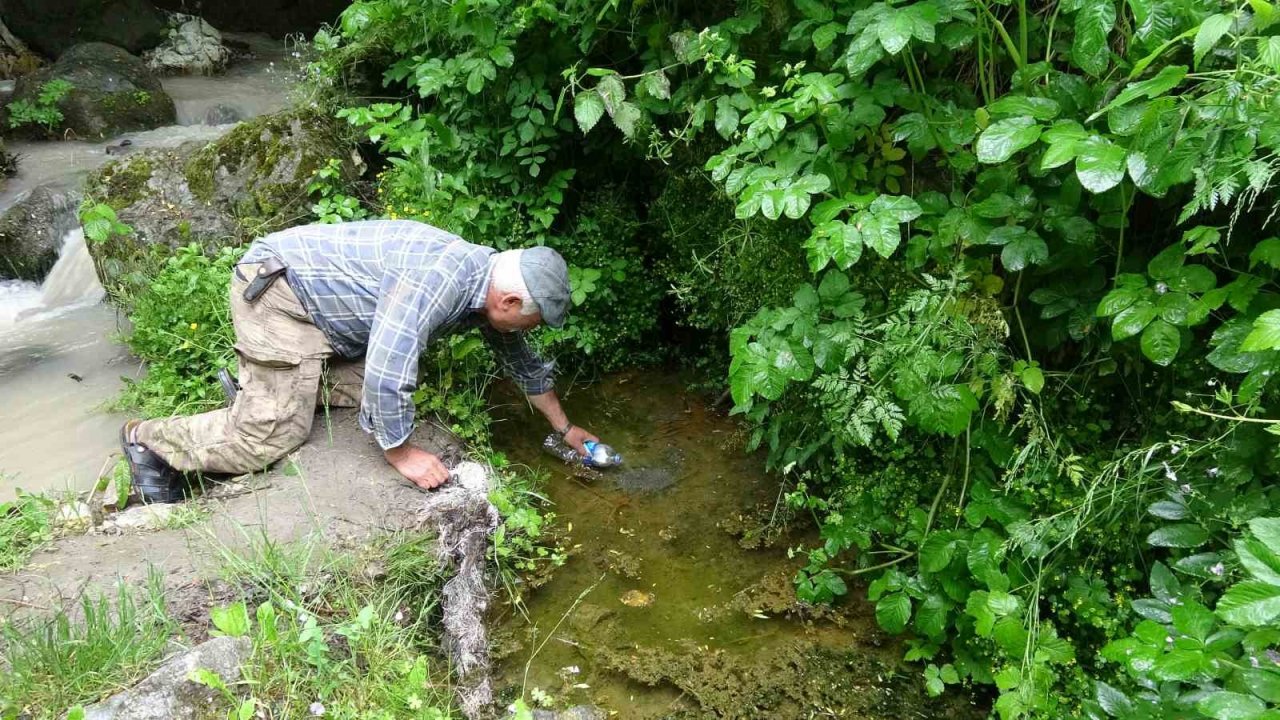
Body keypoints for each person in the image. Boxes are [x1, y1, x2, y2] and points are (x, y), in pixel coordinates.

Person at [120, 219, 599, 502]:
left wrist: (565, 429)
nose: (526, 331)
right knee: (273, 436)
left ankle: (273, 387)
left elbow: (521, 362)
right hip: (281, 295)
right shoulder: (441, 280)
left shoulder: (485, 282)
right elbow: (390, 366)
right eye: (532, 322)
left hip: (322, 312)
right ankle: (149, 442)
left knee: (384, 384)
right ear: (510, 302)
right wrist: (402, 454)